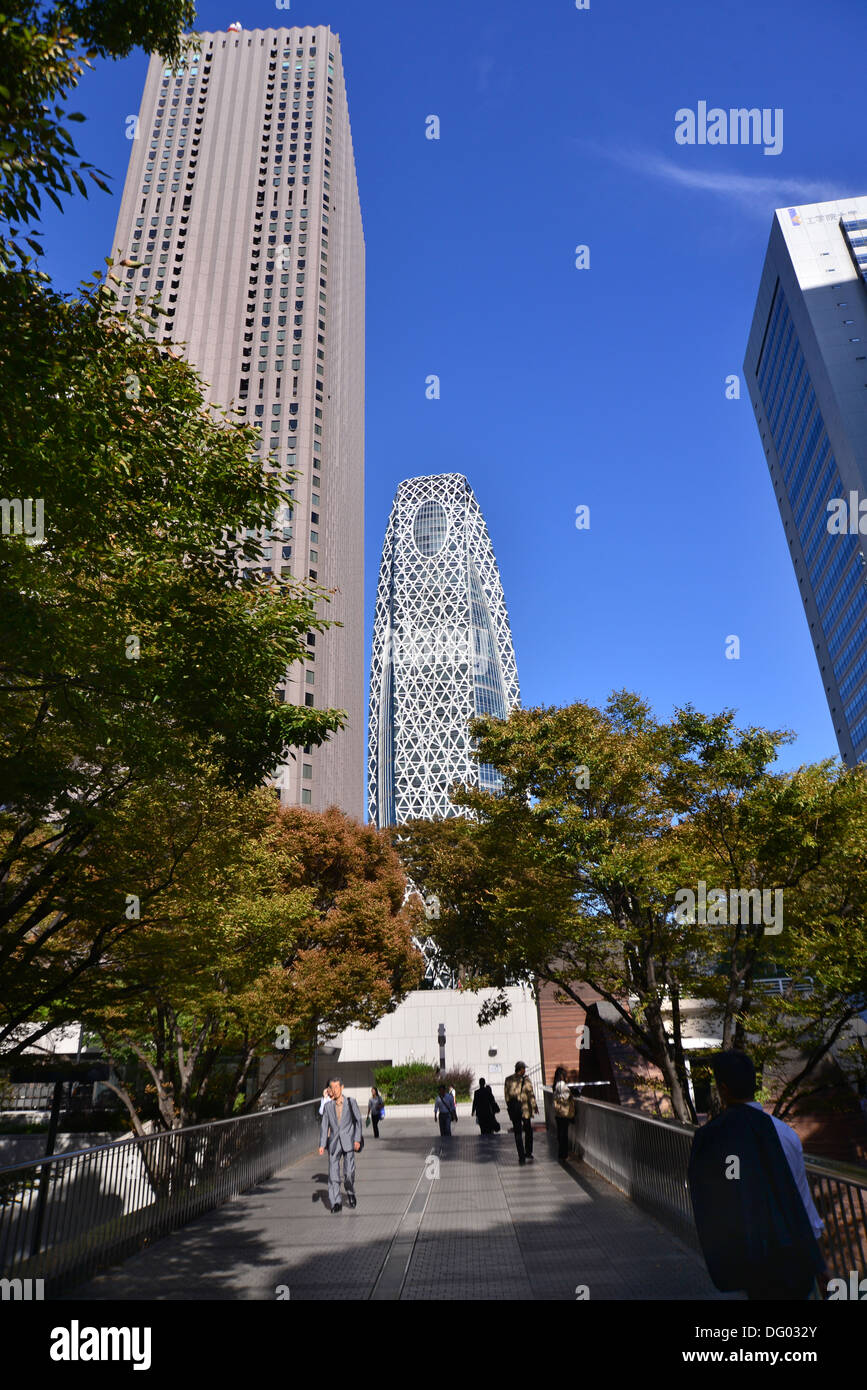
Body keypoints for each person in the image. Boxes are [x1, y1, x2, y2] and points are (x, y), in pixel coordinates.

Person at [688, 1050, 830, 1300]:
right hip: (792, 1256)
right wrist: (818, 1261)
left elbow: (709, 1201)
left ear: (723, 1088)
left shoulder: (710, 1138)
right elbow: (797, 1199)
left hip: (750, 1262)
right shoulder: (782, 1133)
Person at [318, 1076, 363, 1213]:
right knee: (333, 1175)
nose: (335, 1090)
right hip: (333, 1143)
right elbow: (324, 1126)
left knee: (349, 1174)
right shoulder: (328, 1106)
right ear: (330, 1089)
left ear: (342, 1087)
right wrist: (322, 1144)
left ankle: (350, 1192)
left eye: (338, 1087)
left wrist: (357, 1139)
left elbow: (358, 1121)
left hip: (349, 1142)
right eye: (333, 1087)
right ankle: (336, 1202)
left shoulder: (351, 1102)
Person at [504, 1061, 538, 1165]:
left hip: (514, 1109)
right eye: (524, 1069)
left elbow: (506, 1096)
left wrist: (510, 1107)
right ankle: (528, 1152)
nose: (525, 1071)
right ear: (521, 1069)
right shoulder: (526, 1080)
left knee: (517, 1132)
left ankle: (521, 1156)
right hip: (525, 1109)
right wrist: (534, 1106)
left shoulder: (508, 1079)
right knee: (528, 1130)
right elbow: (530, 1093)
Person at [552, 1066, 576, 1163]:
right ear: (562, 1075)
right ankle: (564, 1154)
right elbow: (567, 1095)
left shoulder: (556, 1085)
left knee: (560, 1133)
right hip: (564, 1112)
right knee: (564, 1134)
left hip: (558, 1112)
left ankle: (561, 1153)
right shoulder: (562, 1084)